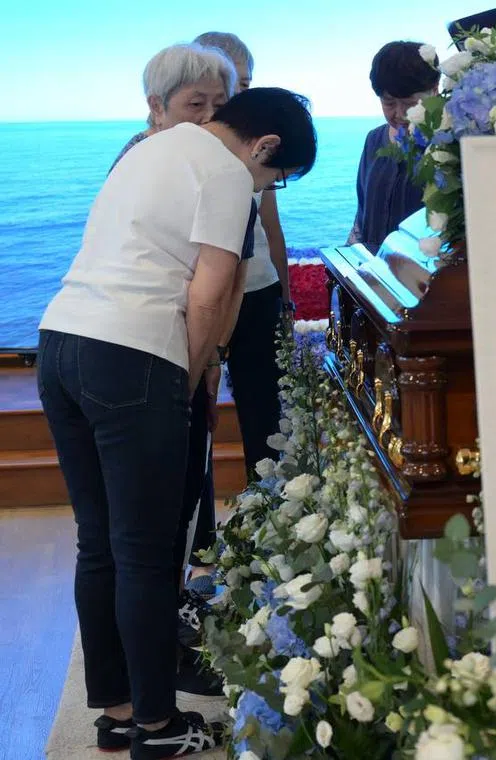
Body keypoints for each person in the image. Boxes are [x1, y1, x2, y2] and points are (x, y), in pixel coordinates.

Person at [38, 86, 316, 758]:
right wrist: (188, 380)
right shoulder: (225, 173)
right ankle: (159, 730)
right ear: (265, 146)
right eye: (272, 177)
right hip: (133, 355)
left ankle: (117, 711)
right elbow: (211, 289)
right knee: (146, 551)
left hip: (60, 341)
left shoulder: (149, 148)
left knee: (99, 543)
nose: (264, 186)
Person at [107, 41, 243, 663]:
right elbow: (202, 283)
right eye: (196, 104)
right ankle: (163, 638)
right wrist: (194, 373)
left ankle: (174, 603)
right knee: (157, 509)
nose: (210, 118)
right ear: (156, 108)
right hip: (152, 353)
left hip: (169, 348)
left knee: (188, 480)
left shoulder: (201, 158)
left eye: (220, 104)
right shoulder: (151, 159)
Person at [195, 32, 294, 485]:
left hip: (257, 292)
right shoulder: (182, 149)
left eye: (246, 84)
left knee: (265, 416)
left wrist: (287, 300)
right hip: (204, 297)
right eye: (233, 86)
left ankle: (269, 511)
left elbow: (271, 228)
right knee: (198, 417)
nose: (241, 96)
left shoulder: (259, 146)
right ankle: (200, 536)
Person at [347, 41, 440, 246]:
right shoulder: (374, 140)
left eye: (409, 104)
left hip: (428, 272)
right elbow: (362, 216)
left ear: (435, 90)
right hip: (376, 270)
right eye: (388, 103)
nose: (398, 114)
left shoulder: (449, 144)